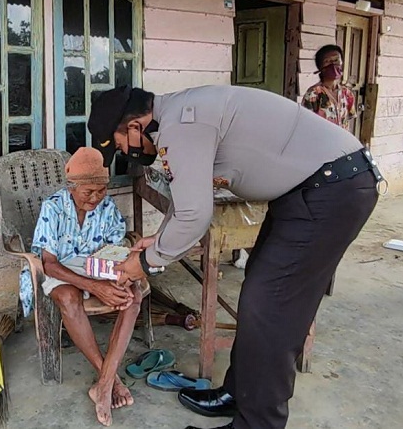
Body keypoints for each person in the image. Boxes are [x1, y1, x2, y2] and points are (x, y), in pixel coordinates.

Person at [86, 84, 382, 429]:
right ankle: (237, 393)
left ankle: (258, 423)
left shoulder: (183, 124)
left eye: (121, 147)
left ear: (134, 127)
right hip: (308, 191)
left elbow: (195, 216)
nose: (128, 154)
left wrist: (146, 261)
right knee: (260, 296)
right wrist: (158, 239)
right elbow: (187, 195)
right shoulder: (179, 114)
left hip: (330, 191)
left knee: (272, 310)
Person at [18, 146, 143, 427]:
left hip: (94, 265)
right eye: (88, 192)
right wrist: (95, 286)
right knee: (68, 297)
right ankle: (109, 378)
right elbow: (48, 264)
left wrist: (113, 275)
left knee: (132, 296)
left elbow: (116, 246)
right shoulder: (53, 207)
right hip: (61, 268)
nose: (96, 198)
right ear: (71, 187)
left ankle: (103, 384)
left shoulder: (106, 206)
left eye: (101, 191)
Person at [301, 44, 357, 131]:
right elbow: (306, 124)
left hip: (342, 143)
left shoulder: (347, 94)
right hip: (322, 142)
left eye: (336, 60)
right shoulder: (313, 94)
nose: (333, 64)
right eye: (327, 61)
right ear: (320, 67)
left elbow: (347, 120)